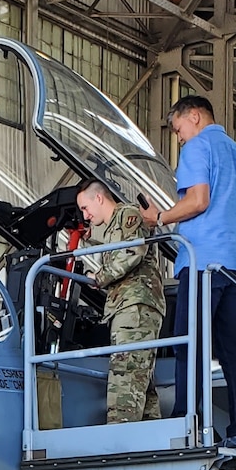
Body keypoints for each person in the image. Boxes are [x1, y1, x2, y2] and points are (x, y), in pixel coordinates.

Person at [140, 95, 236, 453]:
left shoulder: (197, 148)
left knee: (187, 344)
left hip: (204, 261)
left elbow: (198, 201)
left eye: (178, 130)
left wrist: (158, 218)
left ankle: (185, 423)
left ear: (194, 116)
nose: (178, 138)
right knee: (231, 350)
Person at [75, 178, 166, 425]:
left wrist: (100, 277)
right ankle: (150, 435)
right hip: (129, 306)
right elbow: (111, 241)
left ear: (99, 198)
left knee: (124, 375)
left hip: (135, 305)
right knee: (139, 378)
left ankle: (120, 437)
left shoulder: (128, 214)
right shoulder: (115, 224)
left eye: (85, 208)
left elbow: (132, 251)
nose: (85, 215)